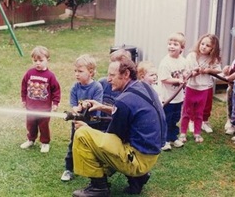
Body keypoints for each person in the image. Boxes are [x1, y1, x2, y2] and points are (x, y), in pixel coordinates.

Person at [71, 55, 167, 197]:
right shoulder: (144, 86)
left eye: (112, 75)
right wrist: (104, 107)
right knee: (99, 137)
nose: (108, 79)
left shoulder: (123, 101)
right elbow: (132, 113)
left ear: (126, 74)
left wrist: (86, 128)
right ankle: (138, 178)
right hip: (151, 155)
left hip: (138, 160)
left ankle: (98, 188)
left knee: (83, 135)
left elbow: (112, 137)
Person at [61, 54, 103, 182]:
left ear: (90, 72)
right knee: (73, 145)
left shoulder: (97, 87)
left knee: (94, 147)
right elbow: (73, 105)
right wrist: (77, 108)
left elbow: (97, 107)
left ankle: (98, 171)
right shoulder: (75, 87)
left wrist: (88, 104)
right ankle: (69, 169)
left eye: (80, 71)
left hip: (93, 123)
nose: (77, 74)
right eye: (75, 71)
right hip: (77, 122)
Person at [179, 33, 221, 143]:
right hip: (191, 87)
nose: (203, 47)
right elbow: (186, 72)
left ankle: (197, 133)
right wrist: (194, 72)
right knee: (186, 111)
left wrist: (209, 70)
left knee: (199, 112)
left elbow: (218, 70)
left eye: (207, 45)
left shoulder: (212, 59)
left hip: (204, 88)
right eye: (202, 44)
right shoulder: (192, 56)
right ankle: (183, 133)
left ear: (212, 48)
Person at [20, 46, 61, 153]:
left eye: (41, 60)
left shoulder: (50, 76)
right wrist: (24, 100)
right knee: (30, 124)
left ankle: (45, 142)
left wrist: (55, 103)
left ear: (48, 60)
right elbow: (24, 86)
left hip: (44, 108)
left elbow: (56, 90)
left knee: (43, 126)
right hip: (31, 107)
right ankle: (31, 139)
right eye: (35, 60)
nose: (38, 63)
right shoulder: (29, 73)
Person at [158, 32, 187, 150]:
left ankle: (173, 137)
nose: (171, 46)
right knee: (166, 118)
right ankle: (163, 140)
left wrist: (186, 75)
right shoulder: (165, 62)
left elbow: (185, 71)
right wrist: (178, 80)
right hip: (167, 97)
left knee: (175, 118)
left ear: (182, 48)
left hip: (178, 97)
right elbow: (164, 79)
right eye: (170, 43)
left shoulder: (183, 60)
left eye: (175, 44)